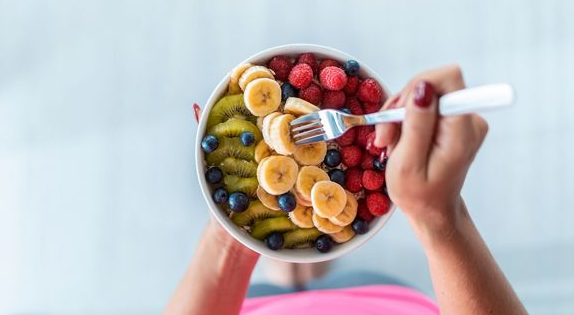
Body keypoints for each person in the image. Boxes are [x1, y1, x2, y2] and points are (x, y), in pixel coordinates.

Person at [165, 66, 528, 315]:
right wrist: (441, 219)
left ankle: (289, 255)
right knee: (318, 230)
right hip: (378, 296)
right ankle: (300, 250)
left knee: (290, 231)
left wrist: (232, 229)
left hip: (252, 306)